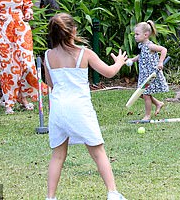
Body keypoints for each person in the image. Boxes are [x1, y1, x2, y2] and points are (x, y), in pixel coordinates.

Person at [44, 13, 128, 200]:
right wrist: (119, 62)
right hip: (79, 108)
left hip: (58, 109)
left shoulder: (48, 56)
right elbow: (108, 72)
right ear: (73, 31)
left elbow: (51, 83)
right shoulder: (85, 53)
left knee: (58, 155)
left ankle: (50, 197)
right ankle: (112, 192)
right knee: (98, 152)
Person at [128, 20, 169, 121]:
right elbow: (141, 56)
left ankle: (147, 116)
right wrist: (133, 60)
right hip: (144, 74)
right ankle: (158, 103)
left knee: (145, 94)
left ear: (146, 35)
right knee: (141, 93)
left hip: (151, 74)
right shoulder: (141, 46)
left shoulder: (150, 46)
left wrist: (160, 62)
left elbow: (163, 49)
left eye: (137, 34)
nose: (135, 36)